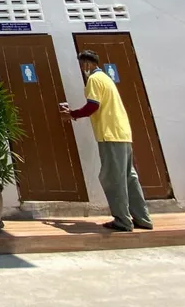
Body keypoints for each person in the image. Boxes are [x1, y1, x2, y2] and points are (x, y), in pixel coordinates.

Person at [60, 50, 152, 232]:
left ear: (86, 64)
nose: (82, 68)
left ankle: (123, 221)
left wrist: (71, 115)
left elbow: (93, 106)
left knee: (113, 178)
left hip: (109, 134)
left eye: (82, 65)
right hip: (122, 133)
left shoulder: (94, 80)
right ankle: (142, 218)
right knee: (129, 177)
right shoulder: (106, 78)